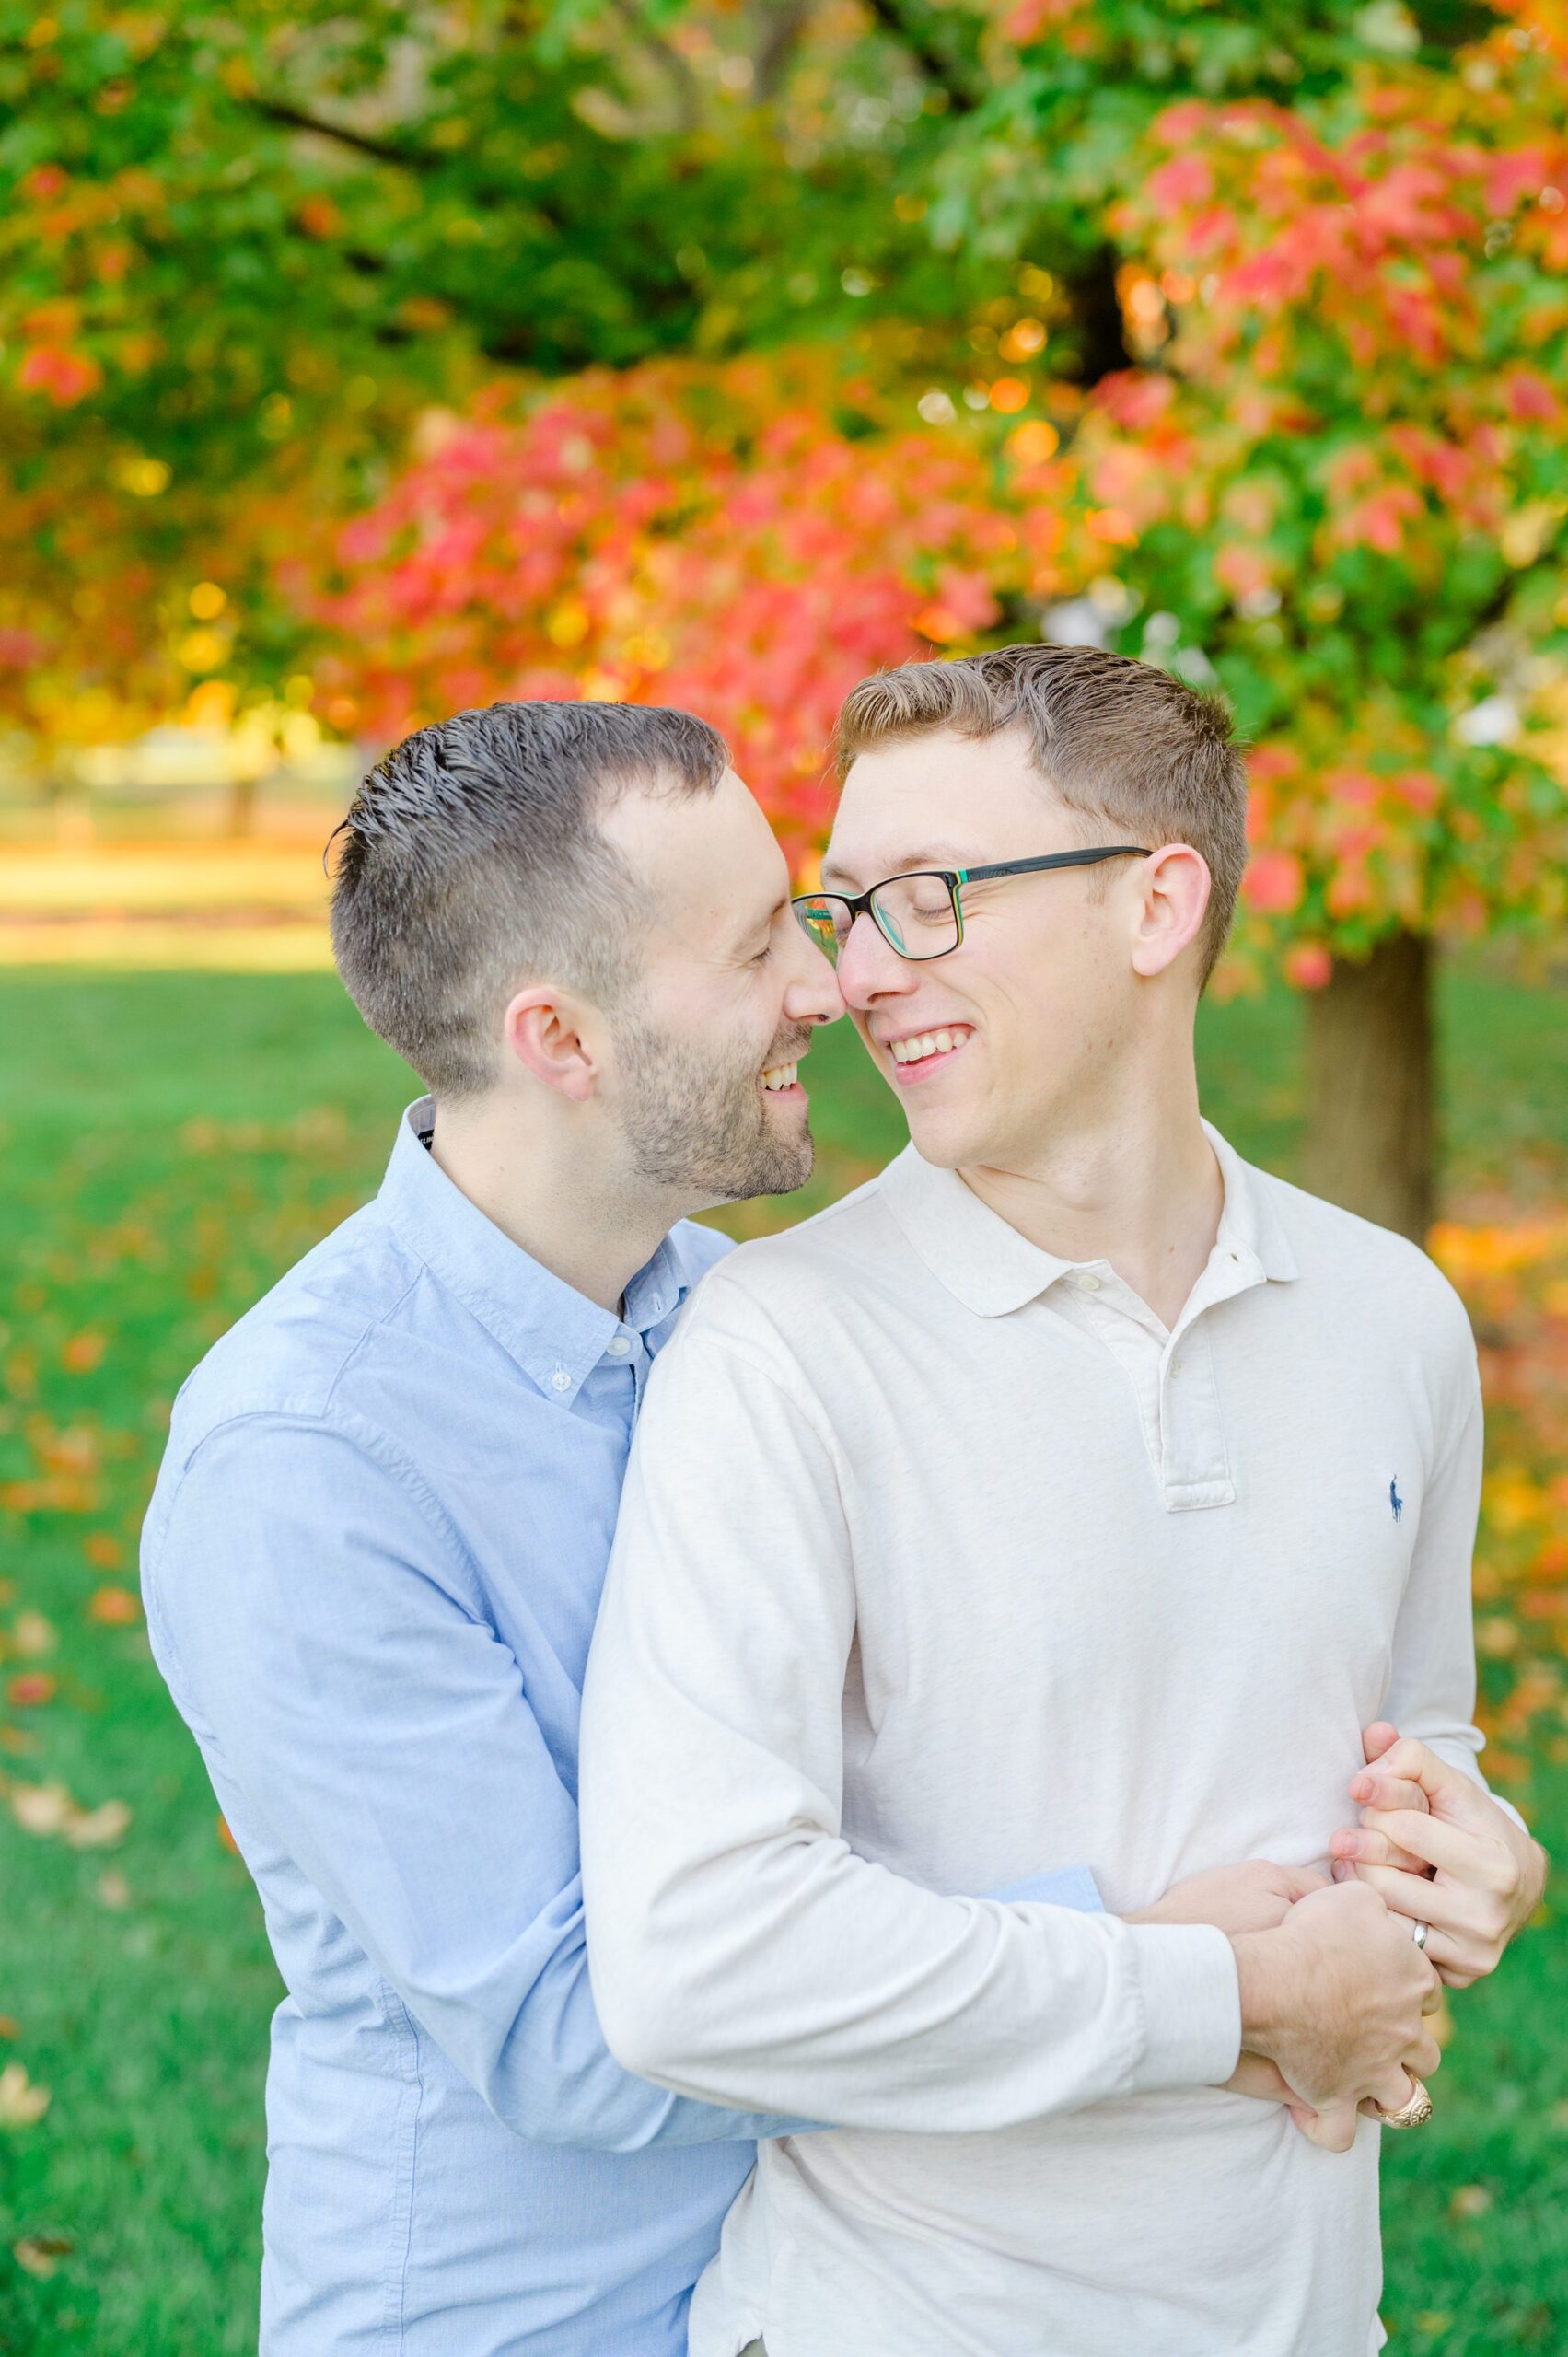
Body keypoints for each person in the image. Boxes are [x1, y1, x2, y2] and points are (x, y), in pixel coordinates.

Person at [579, 645, 1545, 2357]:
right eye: (843, 908)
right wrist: (1227, 1996)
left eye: (927, 899)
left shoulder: (1392, 1314)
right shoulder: (780, 1348)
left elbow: (1402, 1750)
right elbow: (694, 1961)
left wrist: (1461, 1866)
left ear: (1158, 904)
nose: (858, 975)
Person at [139, 697, 1123, 2357]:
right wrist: (1152, 1965)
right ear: (565, 1040)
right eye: (757, 952)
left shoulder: (754, 1326)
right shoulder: (304, 1463)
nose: (834, 987)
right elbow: (576, 2035)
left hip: (838, 2285)